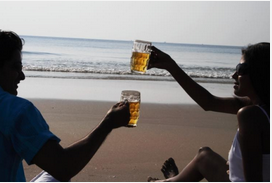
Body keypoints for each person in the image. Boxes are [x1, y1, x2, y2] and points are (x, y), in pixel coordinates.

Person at [0, 30, 130, 182]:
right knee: (57, 176)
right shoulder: (16, 110)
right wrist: (108, 123)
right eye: (16, 67)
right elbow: (63, 167)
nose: (22, 76)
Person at [147, 42, 270, 182]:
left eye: (241, 69)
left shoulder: (250, 115)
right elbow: (208, 102)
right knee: (204, 156)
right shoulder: (259, 108)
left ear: (260, 73)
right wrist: (170, 66)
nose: (233, 75)